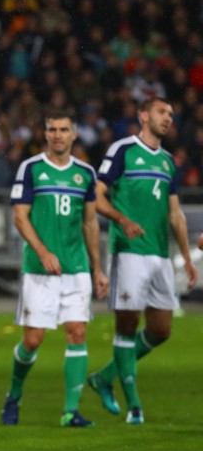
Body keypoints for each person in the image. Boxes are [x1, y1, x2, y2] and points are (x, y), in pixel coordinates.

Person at [87, 97, 197, 425]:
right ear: (143, 115)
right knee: (127, 325)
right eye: (163, 111)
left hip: (160, 255)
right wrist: (121, 220)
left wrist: (187, 257)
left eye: (171, 113)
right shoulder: (123, 150)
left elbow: (174, 213)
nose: (168, 117)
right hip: (129, 251)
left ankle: (104, 377)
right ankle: (134, 405)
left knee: (161, 330)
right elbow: (96, 194)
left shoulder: (167, 162)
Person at [1, 111, 109, 427]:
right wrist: (44, 252)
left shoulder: (86, 174)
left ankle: (70, 411)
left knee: (77, 332)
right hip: (38, 269)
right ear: (46, 134)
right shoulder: (32, 169)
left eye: (64, 129)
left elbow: (90, 222)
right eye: (52, 129)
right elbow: (20, 217)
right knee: (33, 340)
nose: (58, 134)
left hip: (76, 269)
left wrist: (97, 268)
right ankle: (14, 394)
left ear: (74, 135)